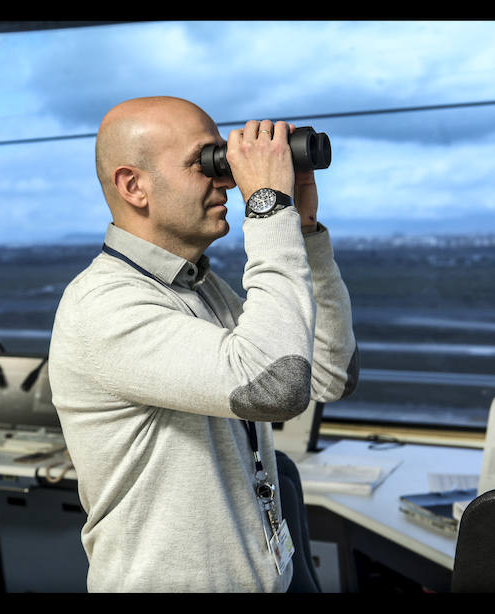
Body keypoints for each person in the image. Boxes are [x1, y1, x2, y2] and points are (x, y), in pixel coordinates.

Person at [48, 96, 359, 592]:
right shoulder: (104, 305)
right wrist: (267, 208)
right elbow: (274, 388)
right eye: (206, 162)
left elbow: (326, 373)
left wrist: (300, 229)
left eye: (225, 159)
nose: (228, 179)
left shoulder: (196, 287)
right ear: (134, 186)